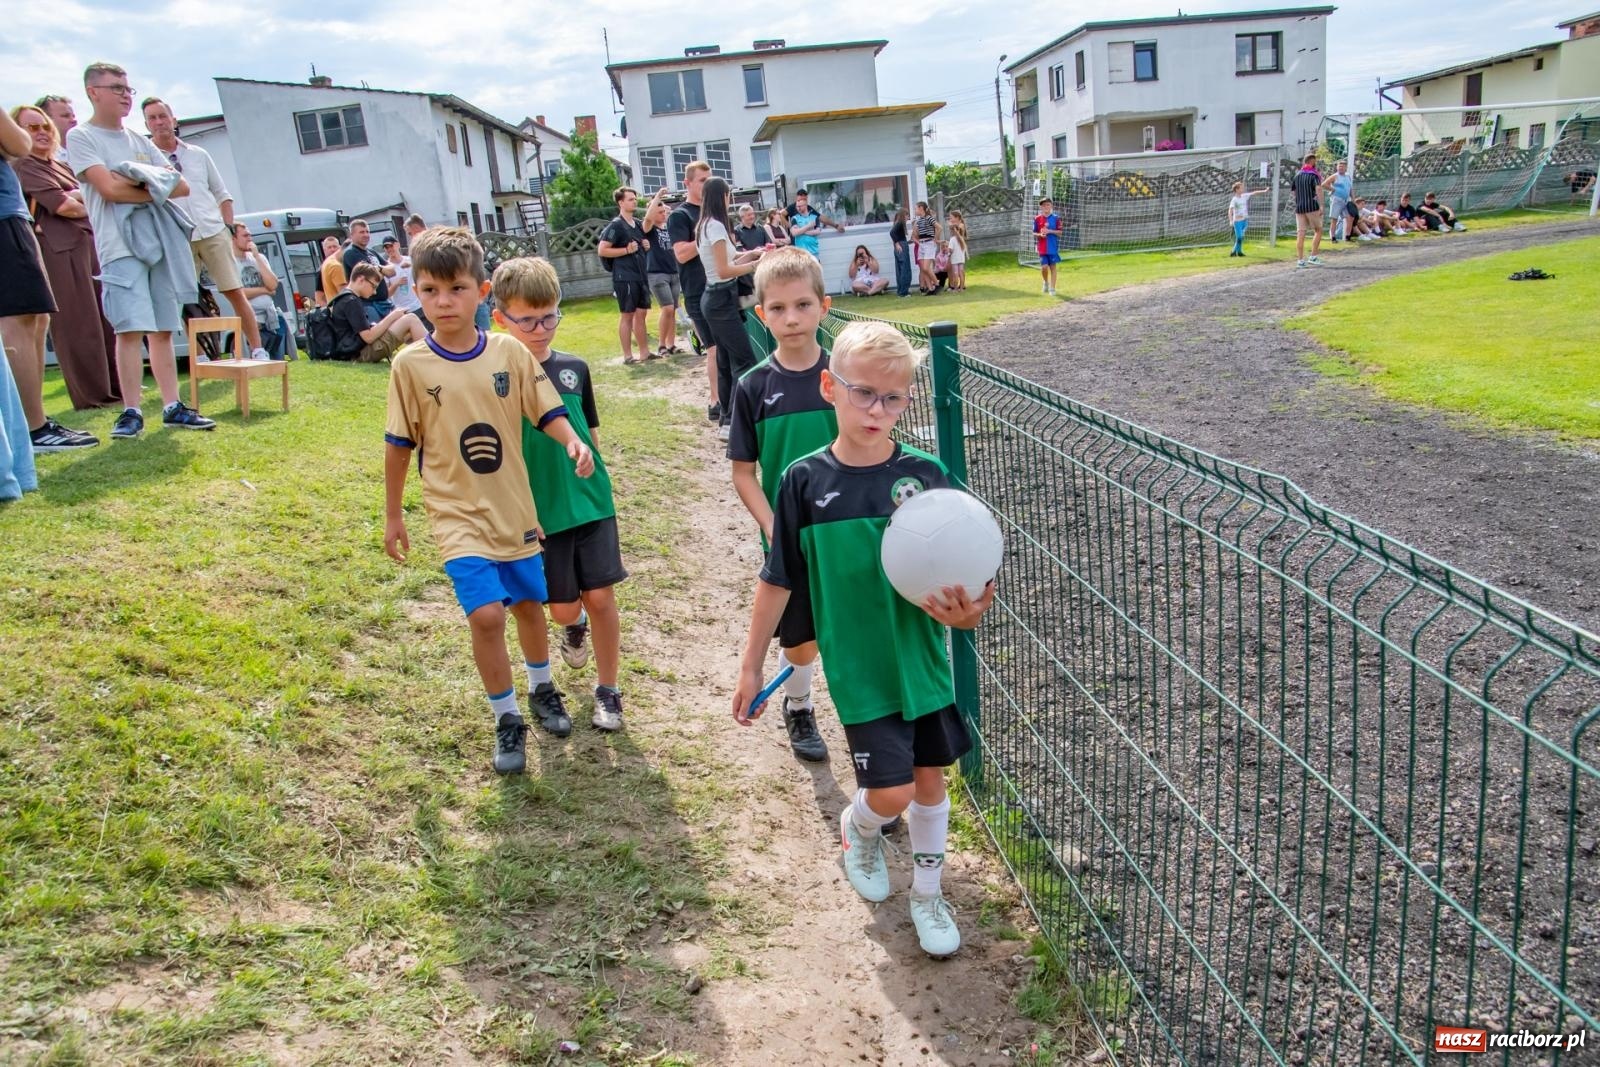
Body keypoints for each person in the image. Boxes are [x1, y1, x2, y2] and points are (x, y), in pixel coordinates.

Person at [731, 320, 996, 958]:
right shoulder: (802, 481)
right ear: (830, 386)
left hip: (922, 664)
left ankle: (929, 895)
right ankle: (861, 826)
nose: (878, 410)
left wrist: (967, 617)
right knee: (893, 791)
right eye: (863, 394)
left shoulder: (926, 476)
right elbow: (777, 581)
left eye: (895, 397)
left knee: (932, 784)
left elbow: (968, 576)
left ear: (908, 398)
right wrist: (749, 668)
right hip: (859, 667)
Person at [383, 227, 596, 775]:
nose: (442, 302)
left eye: (455, 288)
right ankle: (506, 718)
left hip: (514, 509)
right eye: (429, 290)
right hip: (455, 514)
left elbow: (545, 409)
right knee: (484, 616)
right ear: (416, 291)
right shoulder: (409, 365)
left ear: (481, 292)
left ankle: (542, 688)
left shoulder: (507, 352)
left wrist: (572, 440)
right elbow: (399, 444)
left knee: (529, 607)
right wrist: (392, 516)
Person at [493, 256, 629, 734]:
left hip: (590, 502)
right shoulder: (497, 382)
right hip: (537, 514)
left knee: (602, 597)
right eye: (527, 319)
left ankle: (608, 689)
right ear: (500, 319)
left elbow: (588, 431)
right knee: (563, 608)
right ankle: (573, 627)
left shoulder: (575, 368)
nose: (540, 328)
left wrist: (592, 467)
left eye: (549, 316)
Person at [727, 247, 837, 762]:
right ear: (759, 313)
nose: (790, 319)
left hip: (844, 529)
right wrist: (775, 526)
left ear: (824, 306)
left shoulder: (844, 380)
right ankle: (799, 705)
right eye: (777, 308)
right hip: (784, 537)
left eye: (802, 305)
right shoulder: (752, 387)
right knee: (799, 634)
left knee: (844, 621)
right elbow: (744, 473)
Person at [65, 61, 215, 438]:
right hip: (119, 246)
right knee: (130, 329)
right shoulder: (82, 137)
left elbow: (180, 186)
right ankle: (131, 410)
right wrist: (152, 186)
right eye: (116, 88)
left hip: (159, 244)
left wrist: (137, 180)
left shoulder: (140, 141)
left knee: (164, 328)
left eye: (127, 88)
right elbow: (108, 189)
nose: (125, 95)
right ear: (93, 92)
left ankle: (172, 405)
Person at [2, 105, 98, 453]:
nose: (42, 132)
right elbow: (20, 145)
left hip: (12, 217)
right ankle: (32, 428)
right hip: (4, 219)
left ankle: (34, 423)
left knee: (35, 319)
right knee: (20, 319)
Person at [10, 103, 119, 409]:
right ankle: (92, 395)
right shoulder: (26, 165)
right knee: (78, 322)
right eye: (32, 127)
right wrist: (79, 199)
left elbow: (92, 200)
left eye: (44, 126)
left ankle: (114, 387)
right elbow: (65, 206)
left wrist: (78, 198)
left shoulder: (61, 166)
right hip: (58, 251)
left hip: (86, 244)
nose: (42, 132)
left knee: (103, 319)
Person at [143, 97, 268, 360]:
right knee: (186, 298)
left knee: (234, 290)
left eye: (162, 116)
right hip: (178, 237)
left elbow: (223, 194)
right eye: (152, 118)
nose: (158, 122)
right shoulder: (146, 158)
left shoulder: (198, 154)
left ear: (173, 120)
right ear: (146, 124)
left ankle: (257, 349)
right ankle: (199, 355)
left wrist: (227, 228)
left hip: (212, 232)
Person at [696, 176, 765, 441]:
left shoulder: (707, 225)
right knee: (746, 361)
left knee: (726, 361)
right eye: (728, 195)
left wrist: (753, 252)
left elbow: (728, 258)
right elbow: (724, 270)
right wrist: (754, 266)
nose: (729, 199)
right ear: (721, 197)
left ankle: (727, 419)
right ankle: (733, 422)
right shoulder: (714, 226)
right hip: (720, 300)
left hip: (716, 299)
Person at [598, 185, 663, 364]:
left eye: (635, 199)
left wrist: (645, 247)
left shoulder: (636, 224)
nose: (634, 202)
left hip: (640, 275)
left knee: (641, 314)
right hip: (624, 277)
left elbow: (649, 219)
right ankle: (628, 356)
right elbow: (602, 250)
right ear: (621, 202)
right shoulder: (616, 225)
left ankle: (644, 353)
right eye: (630, 199)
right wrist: (626, 250)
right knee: (627, 315)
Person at [329, 263, 425, 362]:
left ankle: (425, 356)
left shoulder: (344, 297)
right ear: (361, 279)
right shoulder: (351, 301)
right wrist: (393, 316)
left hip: (353, 352)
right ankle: (432, 355)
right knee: (411, 319)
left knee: (409, 329)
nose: (374, 292)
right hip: (360, 354)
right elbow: (368, 337)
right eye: (373, 286)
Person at [230, 223, 291, 359]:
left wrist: (257, 257)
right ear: (233, 238)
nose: (250, 239)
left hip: (271, 319)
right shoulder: (230, 262)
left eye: (250, 235)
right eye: (245, 235)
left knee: (277, 362)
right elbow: (239, 293)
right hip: (251, 321)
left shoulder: (259, 258)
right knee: (255, 362)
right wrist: (264, 290)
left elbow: (273, 285)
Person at [644, 195, 686, 358]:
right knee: (667, 308)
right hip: (657, 273)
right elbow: (647, 219)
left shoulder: (669, 228)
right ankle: (661, 345)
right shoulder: (649, 229)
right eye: (659, 212)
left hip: (673, 272)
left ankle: (671, 344)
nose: (663, 214)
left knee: (673, 309)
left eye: (664, 211)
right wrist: (657, 198)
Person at [342, 219, 397, 320]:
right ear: (352, 235)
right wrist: (382, 271)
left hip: (385, 303)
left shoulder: (371, 252)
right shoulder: (350, 253)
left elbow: (392, 270)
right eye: (362, 232)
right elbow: (371, 275)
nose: (366, 235)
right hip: (367, 305)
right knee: (381, 335)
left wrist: (379, 268)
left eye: (367, 232)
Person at [786, 189, 844, 259]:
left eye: (805, 199)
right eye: (801, 199)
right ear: (797, 198)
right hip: (798, 246)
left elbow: (821, 218)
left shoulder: (809, 209)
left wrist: (835, 225)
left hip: (812, 250)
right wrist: (789, 225)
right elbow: (781, 214)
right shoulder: (792, 208)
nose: (803, 201)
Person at [1291, 154, 1324, 269]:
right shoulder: (1313, 175)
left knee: (1301, 233)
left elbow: (1294, 191)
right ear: (1312, 161)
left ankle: (1300, 260)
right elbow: (1318, 189)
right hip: (1311, 206)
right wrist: (1321, 205)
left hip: (1299, 207)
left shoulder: (1297, 175)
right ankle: (1313, 256)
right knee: (1318, 230)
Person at [1226, 181, 1266, 257]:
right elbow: (1230, 210)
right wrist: (1231, 220)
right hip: (1237, 221)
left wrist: (1264, 191)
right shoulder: (1234, 200)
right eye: (1241, 187)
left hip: (1245, 220)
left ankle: (1239, 252)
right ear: (1237, 189)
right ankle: (1233, 251)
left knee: (1242, 237)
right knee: (1239, 237)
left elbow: (1254, 193)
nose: (1243, 189)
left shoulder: (1244, 196)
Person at [1031, 198, 1058, 294]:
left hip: (1053, 247)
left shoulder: (1056, 218)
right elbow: (1034, 233)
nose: (1046, 207)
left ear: (1051, 206)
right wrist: (1040, 235)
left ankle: (1052, 289)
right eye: (1044, 205)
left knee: (1053, 267)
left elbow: (1060, 232)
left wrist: (1050, 231)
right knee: (1044, 267)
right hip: (1042, 247)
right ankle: (1046, 282)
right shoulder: (1037, 218)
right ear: (1041, 207)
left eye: (1048, 205)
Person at [915, 201, 943, 294]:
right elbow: (917, 234)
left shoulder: (929, 218)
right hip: (922, 244)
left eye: (916, 208)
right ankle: (931, 289)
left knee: (926, 268)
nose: (915, 210)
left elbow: (939, 227)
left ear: (921, 208)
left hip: (929, 244)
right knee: (923, 269)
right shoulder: (919, 220)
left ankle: (937, 283)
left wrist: (935, 238)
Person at [1325, 160, 1352, 242]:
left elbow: (1350, 188)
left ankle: (1348, 236)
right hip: (1336, 199)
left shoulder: (1348, 176)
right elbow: (1324, 184)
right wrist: (1332, 189)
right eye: (1339, 166)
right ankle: (1333, 237)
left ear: (1346, 168)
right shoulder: (1335, 176)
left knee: (1349, 218)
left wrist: (1353, 198)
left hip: (1345, 200)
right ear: (1337, 167)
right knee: (1334, 219)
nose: (1341, 168)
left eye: (1343, 166)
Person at [889, 208, 912, 298]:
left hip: (901, 245)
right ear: (903, 215)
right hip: (902, 247)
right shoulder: (900, 223)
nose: (908, 217)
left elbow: (896, 235)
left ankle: (900, 291)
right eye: (907, 215)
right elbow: (892, 233)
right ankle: (904, 292)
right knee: (905, 269)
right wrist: (897, 243)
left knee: (900, 270)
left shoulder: (897, 223)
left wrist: (909, 242)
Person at [317, 234, 346, 307]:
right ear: (324, 250)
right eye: (329, 247)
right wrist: (330, 312)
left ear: (339, 247)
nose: (332, 249)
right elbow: (319, 298)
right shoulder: (322, 270)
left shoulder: (346, 264)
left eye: (335, 246)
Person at [945, 211, 969, 291]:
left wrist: (952, 225)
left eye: (951, 217)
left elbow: (956, 227)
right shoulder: (954, 228)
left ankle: (959, 287)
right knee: (958, 271)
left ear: (957, 218)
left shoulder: (961, 225)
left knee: (959, 271)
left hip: (958, 249)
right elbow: (952, 226)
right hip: (958, 249)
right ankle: (958, 287)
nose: (950, 219)